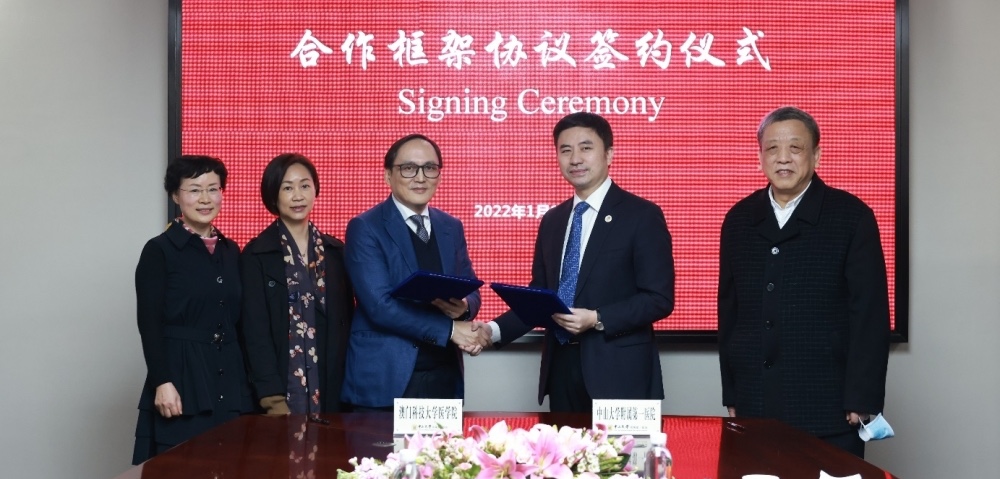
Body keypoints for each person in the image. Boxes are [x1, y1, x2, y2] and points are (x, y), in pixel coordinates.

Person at [717, 106, 890, 458]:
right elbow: (730, 313)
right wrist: (732, 392)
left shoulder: (851, 217)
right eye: (772, 149)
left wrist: (862, 397)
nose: (783, 159)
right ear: (760, 156)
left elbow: (869, 315)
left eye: (795, 148)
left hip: (830, 407)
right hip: (755, 401)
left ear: (816, 155)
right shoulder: (738, 220)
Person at [483, 112, 675, 412]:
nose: (575, 158)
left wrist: (596, 317)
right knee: (563, 458)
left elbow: (659, 299)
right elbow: (540, 298)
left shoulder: (642, 216)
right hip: (561, 370)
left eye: (586, 147)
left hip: (621, 375)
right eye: (565, 149)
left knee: (624, 461)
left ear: (609, 154)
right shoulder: (553, 220)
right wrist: (489, 332)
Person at [340, 134, 483, 410]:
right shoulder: (365, 227)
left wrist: (464, 309)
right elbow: (379, 306)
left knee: (444, 454)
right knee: (380, 454)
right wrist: (451, 329)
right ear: (388, 176)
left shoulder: (451, 226)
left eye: (430, 168)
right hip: (387, 375)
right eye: (409, 168)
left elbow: (471, 288)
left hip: (443, 373)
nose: (420, 177)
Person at [132, 155, 252, 464]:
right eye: (194, 189)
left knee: (230, 464)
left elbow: (238, 321)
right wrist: (162, 382)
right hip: (182, 379)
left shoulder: (230, 250)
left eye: (213, 189)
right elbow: (149, 323)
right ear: (176, 195)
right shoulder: (159, 250)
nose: (205, 198)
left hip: (228, 377)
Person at [240, 153, 354, 415]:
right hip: (281, 393)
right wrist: (271, 397)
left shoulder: (336, 252)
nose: (298, 195)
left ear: (316, 189)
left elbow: (348, 323)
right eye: (287, 188)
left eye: (305, 185)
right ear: (273, 195)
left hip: (335, 388)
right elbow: (255, 333)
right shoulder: (256, 255)